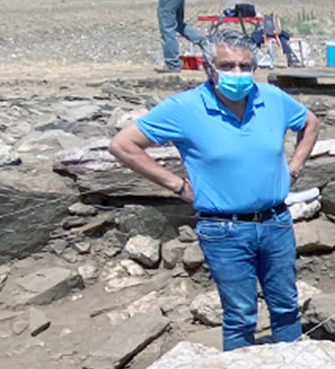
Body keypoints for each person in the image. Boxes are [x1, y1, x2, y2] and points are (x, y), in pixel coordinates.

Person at [108, 37, 319, 349]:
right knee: (240, 314)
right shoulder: (184, 108)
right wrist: (176, 185)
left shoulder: (272, 98)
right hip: (224, 229)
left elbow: (310, 123)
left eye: (245, 66)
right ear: (208, 68)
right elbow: (123, 145)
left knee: (287, 306)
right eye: (227, 66)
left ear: (255, 67)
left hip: (275, 222)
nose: (237, 72)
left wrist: (294, 167)